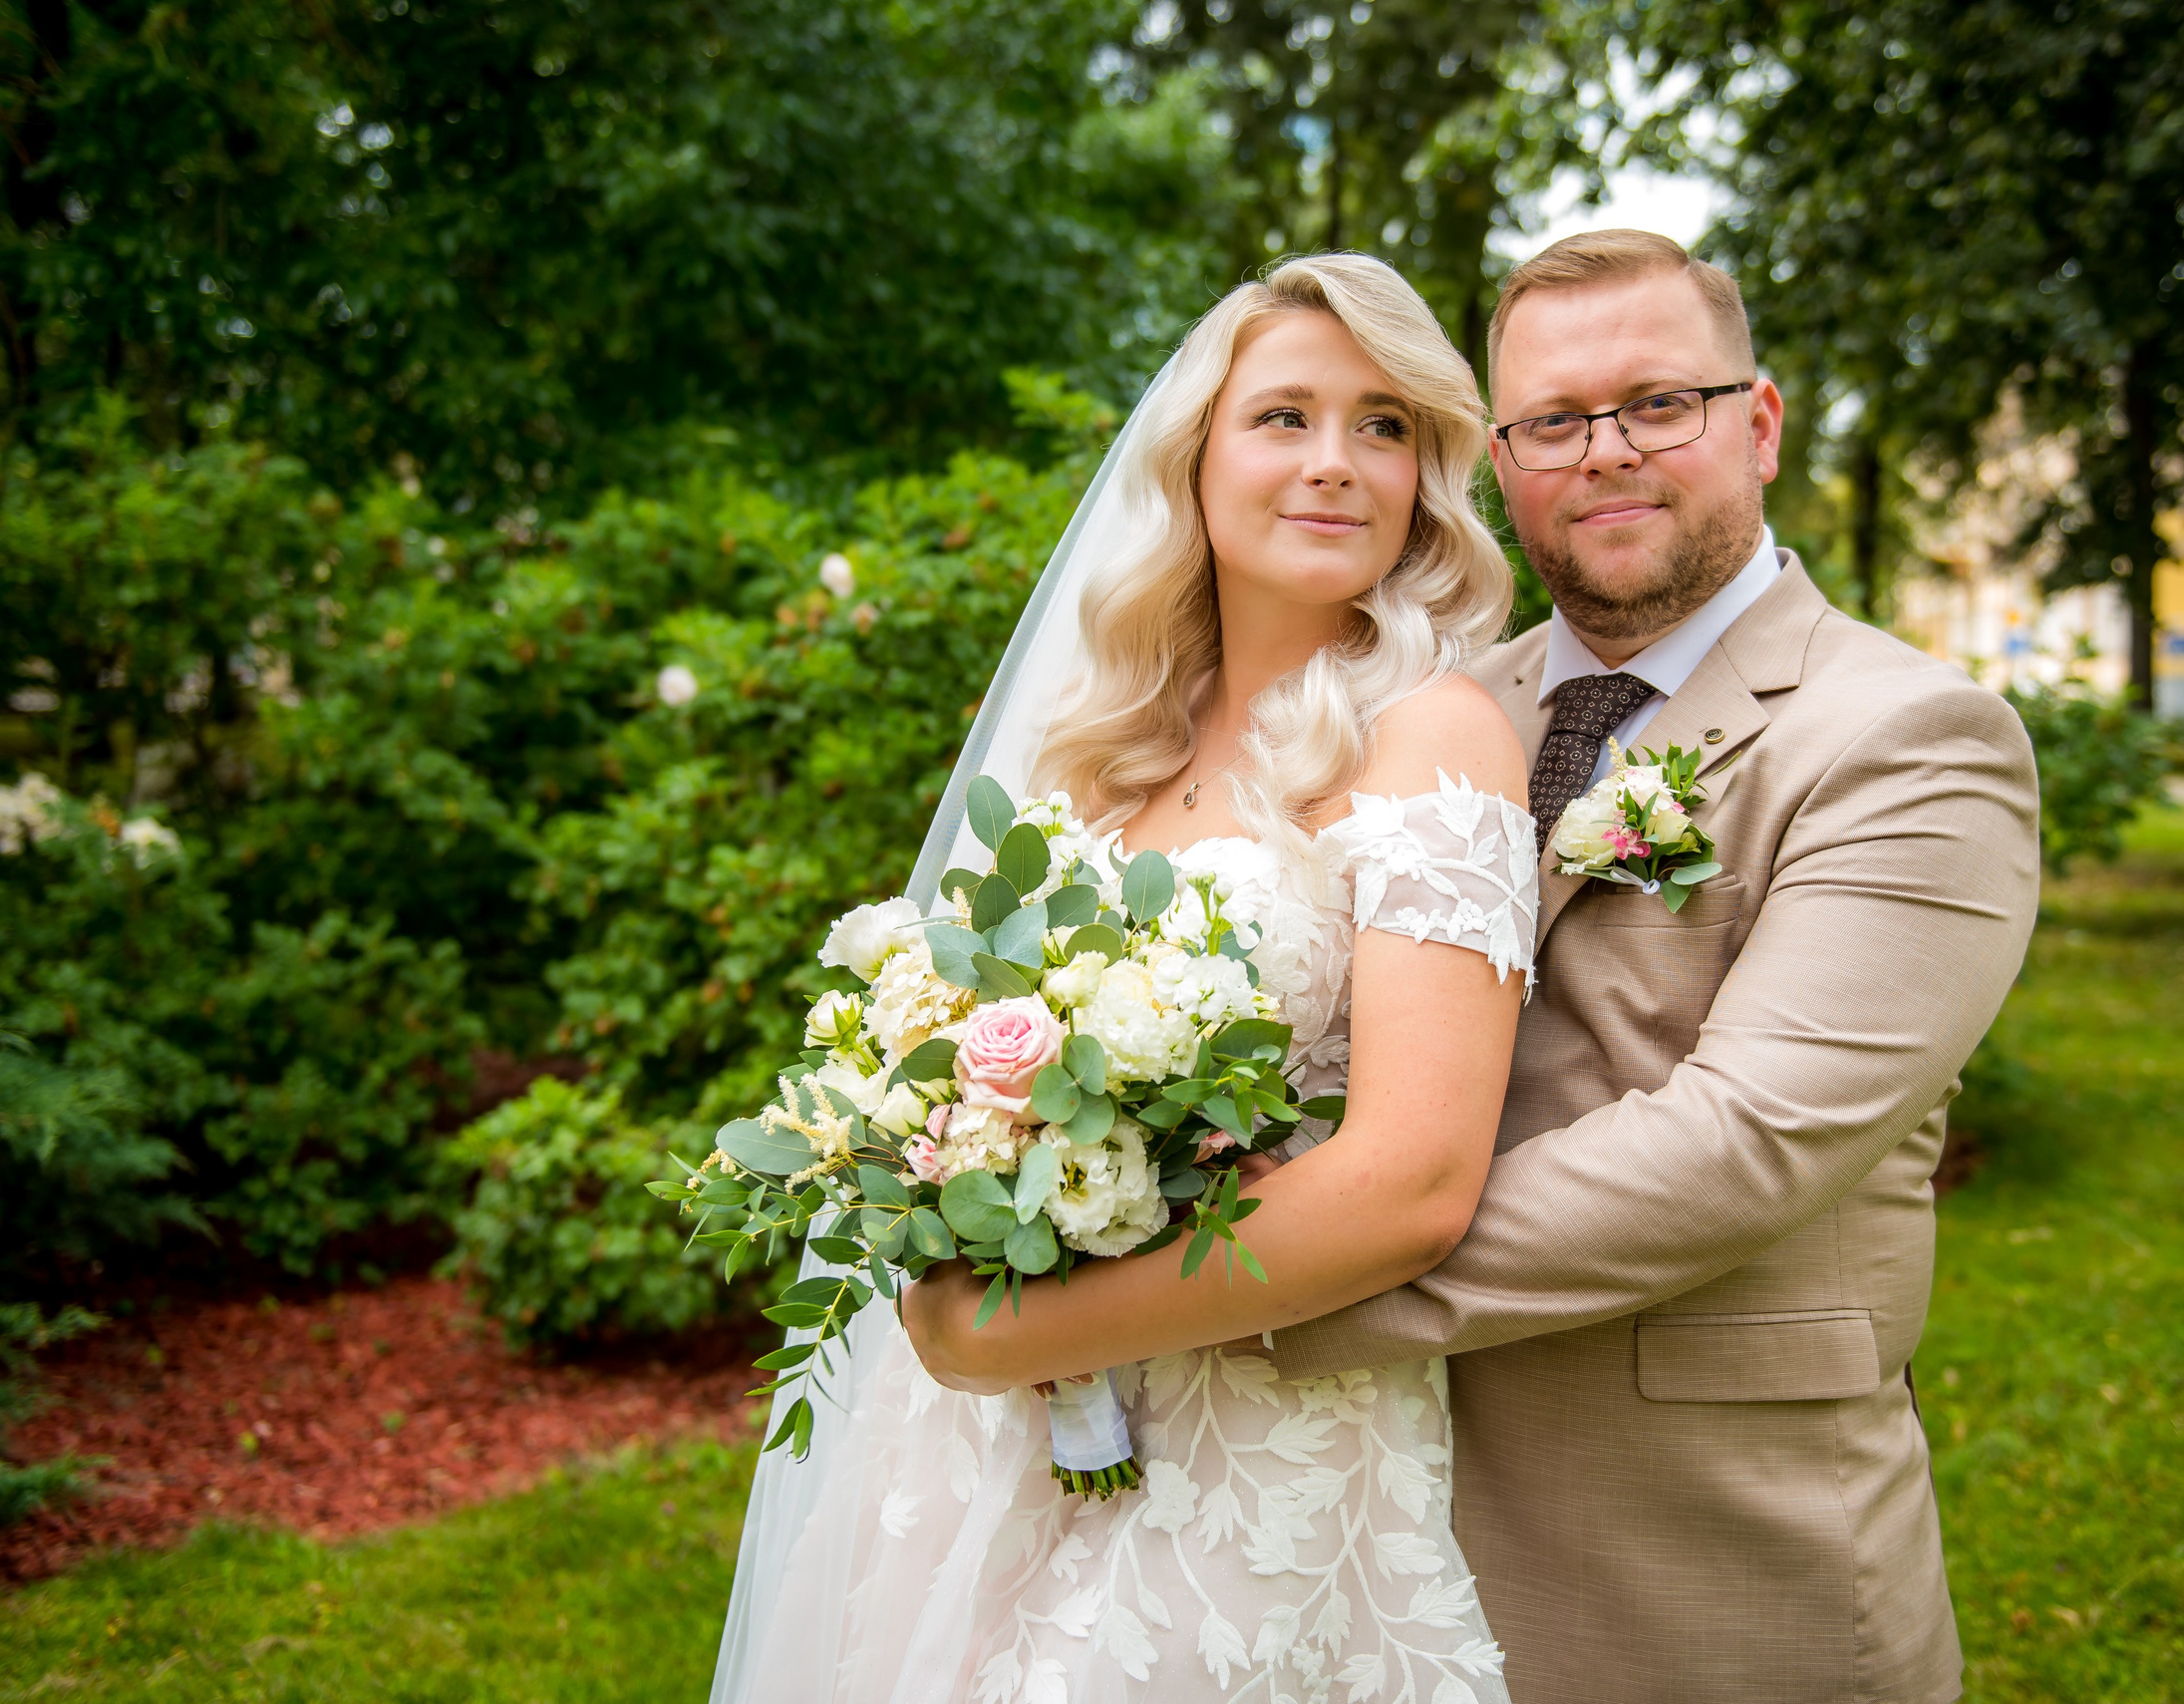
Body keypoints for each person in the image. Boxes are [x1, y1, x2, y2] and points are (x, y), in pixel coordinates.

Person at [908, 231, 2042, 1703]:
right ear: (1498, 459)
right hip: (1354, 1511)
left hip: (1698, 1539)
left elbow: (1743, 1142)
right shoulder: (1408, 702)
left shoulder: (1904, 737)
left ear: (1759, 424)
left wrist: (1217, 1288)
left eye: (1659, 403)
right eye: (1554, 422)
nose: (1606, 453)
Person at [714, 252, 1535, 1702]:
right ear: (1196, 457)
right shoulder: (1102, 748)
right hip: (985, 1448)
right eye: (1283, 415)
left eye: (1385, 423)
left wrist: (1005, 1330)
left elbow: (1415, 1177)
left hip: (1252, 1455)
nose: (1336, 463)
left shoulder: (1433, 731)